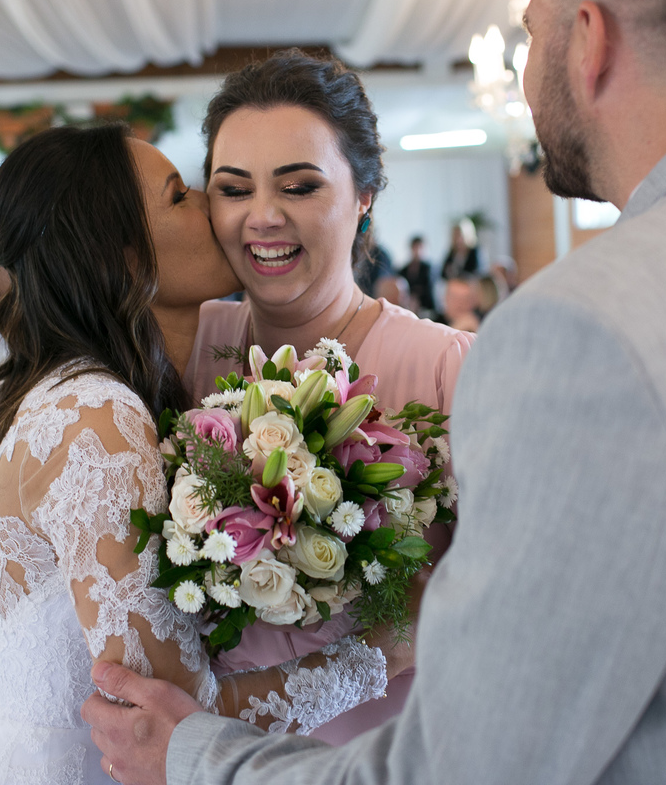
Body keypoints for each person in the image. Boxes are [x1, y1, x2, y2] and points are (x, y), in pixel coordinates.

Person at [82, 0, 666, 783]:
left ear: (589, 37)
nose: (260, 214)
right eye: (231, 189)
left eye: (530, 29)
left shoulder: (563, 333)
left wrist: (206, 753)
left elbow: (475, 758)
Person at [0, 123, 408, 785]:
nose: (215, 207)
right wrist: (379, 653)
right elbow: (170, 718)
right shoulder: (99, 415)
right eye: (180, 195)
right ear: (121, 256)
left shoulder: (130, 388)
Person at [181, 49, 473, 744]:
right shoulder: (178, 347)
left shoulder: (446, 368)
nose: (262, 217)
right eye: (233, 188)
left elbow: (499, 592)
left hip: (376, 755)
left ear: (364, 194)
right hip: (199, 758)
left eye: (300, 186)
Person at [401, 235, 436, 316]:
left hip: (426, 307)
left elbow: (429, 290)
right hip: (407, 306)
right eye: (415, 247)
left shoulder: (429, 269)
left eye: (420, 247)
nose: (417, 251)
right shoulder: (403, 270)